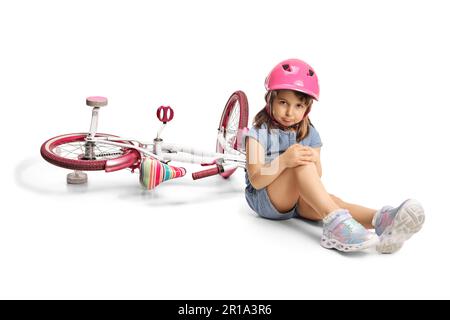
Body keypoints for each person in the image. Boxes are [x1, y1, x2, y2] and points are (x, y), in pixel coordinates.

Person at [244, 58, 425, 253]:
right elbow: (256, 180)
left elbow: (316, 176)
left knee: (333, 202)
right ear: (270, 99)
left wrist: (314, 160)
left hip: (296, 201)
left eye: (298, 106)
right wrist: (285, 160)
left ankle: (383, 221)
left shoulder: (310, 133)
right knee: (302, 165)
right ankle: (335, 225)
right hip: (265, 200)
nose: (289, 112)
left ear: (307, 109)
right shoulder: (257, 133)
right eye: (283, 103)